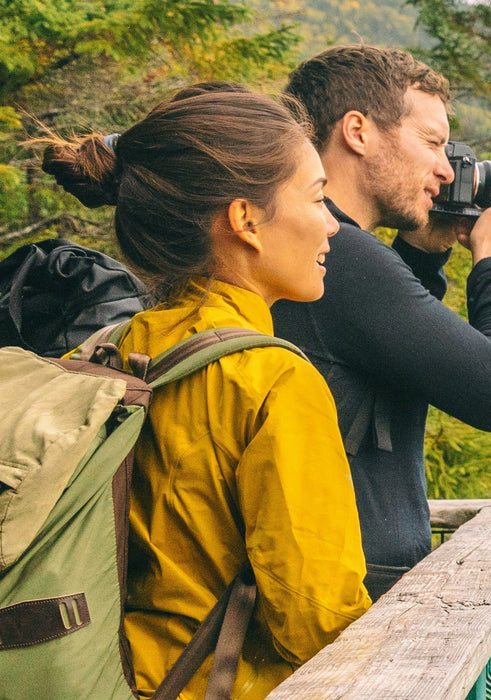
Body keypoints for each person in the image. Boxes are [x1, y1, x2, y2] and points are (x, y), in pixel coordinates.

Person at [41, 89, 371, 699]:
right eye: (317, 197)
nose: (332, 224)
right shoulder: (274, 381)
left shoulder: (99, 355)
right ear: (245, 220)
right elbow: (319, 618)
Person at [272, 45, 491, 600]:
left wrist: (420, 254)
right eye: (432, 143)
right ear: (358, 132)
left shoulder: (314, 250)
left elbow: (378, 359)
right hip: (349, 605)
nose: (446, 169)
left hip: (332, 585)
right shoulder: (343, 256)